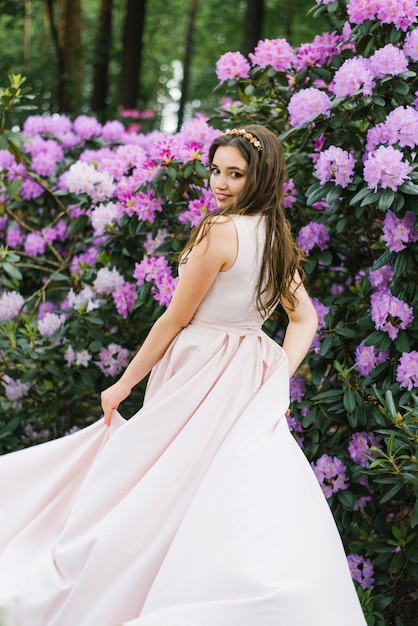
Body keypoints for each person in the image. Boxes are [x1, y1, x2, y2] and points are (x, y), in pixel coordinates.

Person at [0, 125, 367, 626]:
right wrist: (278, 371)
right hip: (246, 375)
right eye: (215, 170)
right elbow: (304, 318)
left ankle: (118, 586)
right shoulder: (276, 235)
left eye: (234, 174)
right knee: (215, 488)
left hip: (202, 370)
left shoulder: (220, 231)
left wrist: (124, 383)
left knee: (156, 484)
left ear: (259, 176)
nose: (219, 182)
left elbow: (174, 318)